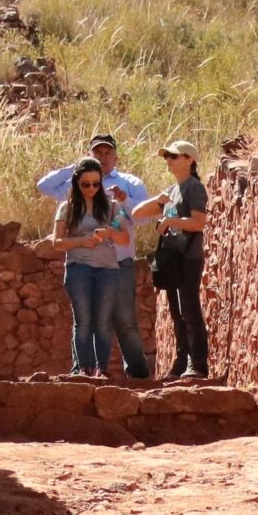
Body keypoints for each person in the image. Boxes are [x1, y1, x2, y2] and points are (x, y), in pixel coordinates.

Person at [35, 158, 133, 378]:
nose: (91, 189)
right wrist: (82, 241)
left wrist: (109, 233)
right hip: (79, 267)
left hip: (108, 268)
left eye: (96, 184)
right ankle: (83, 368)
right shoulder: (67, 208)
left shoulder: (112, 207)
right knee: (83, 320)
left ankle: (102, 368)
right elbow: (56, 243)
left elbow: (124, 239)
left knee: (103, 321)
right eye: (85, 184)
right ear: (77, 183)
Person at [131, 140, 210, 380]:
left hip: (189, 257)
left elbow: (198, 222)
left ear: (190, 160)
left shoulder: (194, 188)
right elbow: (137, 214)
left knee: (190, 310)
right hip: (173, 259)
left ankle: (198, 364)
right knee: (177, 313)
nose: (169, 160)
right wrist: (160, 199)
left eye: (174, 156)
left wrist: (170, 222)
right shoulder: (173, 191)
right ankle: (181, 363)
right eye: (167, 157)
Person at [87, 132, 153, 380]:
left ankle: (138, 375)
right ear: (89, 155)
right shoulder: (81, 181)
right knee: (90, 320)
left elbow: (145, 217)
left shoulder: (130, 182)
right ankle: (91, 372)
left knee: (125, 319)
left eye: (107, 153)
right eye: (97, 152)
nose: (103, 157)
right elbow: (46, 187)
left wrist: (124, 201)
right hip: (89, 260)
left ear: (116, 157)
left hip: (120, 260)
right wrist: (76, 168)